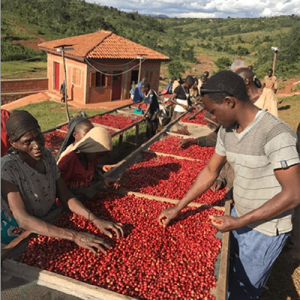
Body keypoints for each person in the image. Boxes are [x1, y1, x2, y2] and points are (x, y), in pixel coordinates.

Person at [158, 71, 300, 300]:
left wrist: (238, 222)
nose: (212, 117)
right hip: (238, 215)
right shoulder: (227, 130)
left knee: (243, 290)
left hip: (265, 229)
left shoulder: (276, 134)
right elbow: (210, 171)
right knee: (227, 272)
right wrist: (178, 207)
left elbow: (294, 194)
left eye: (213, 111)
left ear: (229, 102)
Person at [1, 110, 123, 252]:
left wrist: (94, 219)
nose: (37, 145)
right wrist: (75, 236)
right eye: (27, 142)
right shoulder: (7, 169)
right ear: (13, 144)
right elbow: (22, 218)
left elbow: (65, 194)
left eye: (39, 136)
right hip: (19, 230)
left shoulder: (47, 156)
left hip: (49, 219)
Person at [58, 127, 120, 200]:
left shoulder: (90, 158)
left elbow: (93, 169)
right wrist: (82, 191)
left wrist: (103, 179)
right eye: (98, 155)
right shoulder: (69, 160)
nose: (99, 160)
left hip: (84, 200)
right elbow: (56, 188)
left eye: (102, 156)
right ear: (90, 147)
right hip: (67, 204)